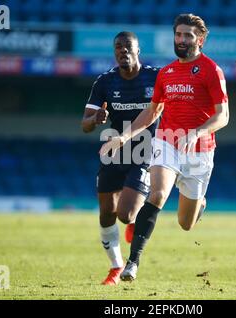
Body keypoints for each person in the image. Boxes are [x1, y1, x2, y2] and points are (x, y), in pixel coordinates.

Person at [100, 14, 230, 282]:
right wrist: (124, 138)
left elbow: (223, 116)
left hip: (200, 150)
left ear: (201, 40)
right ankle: (132, 263)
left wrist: (197, 133)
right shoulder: (166, 73)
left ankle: (199, 205)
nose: (181, 40)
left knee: (186, 224)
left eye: (188, 36)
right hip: (166, 141)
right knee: (157, 195)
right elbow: (152, 112)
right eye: (178, 35)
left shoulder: (211, 71)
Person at [81, 31, 160, 285]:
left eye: (128, 46)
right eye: (118, 47)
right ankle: (115, 267)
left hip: (144, 150)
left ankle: (134, 221)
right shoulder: (105, 82)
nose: (123, 50)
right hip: (115, 148)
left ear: (138, 50)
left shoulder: (154, 77)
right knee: (106, 212)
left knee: (125, 214)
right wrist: (96, 119)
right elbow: (85, 124)